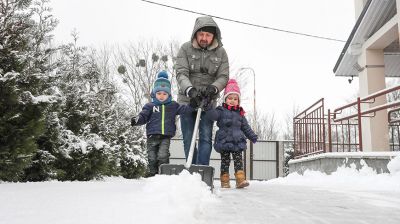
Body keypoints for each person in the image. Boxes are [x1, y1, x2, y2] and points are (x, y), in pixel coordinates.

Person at [175, 16, 229, 165]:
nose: (204, 38)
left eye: (208, 35)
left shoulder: (221, 53)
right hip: (188, 100)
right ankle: (191, 169)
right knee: (188, 136)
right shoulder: (185, 48)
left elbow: (223, 76)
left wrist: (213, 88)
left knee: (205, 136)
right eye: (201, 34)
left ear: (214, 36)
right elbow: (181, 73)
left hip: (208, 101)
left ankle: (202, 170)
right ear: (195, 34)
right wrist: (190, 90)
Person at [131, 71, 196, 177]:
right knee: (151, 157)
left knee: (162, 155)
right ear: (154, 94)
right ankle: (152, 173)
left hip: (165, 136)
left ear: (169, 94)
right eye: (159, 93)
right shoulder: (150, 106)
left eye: (164, 94)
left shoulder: (172, 105)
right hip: (152, 135)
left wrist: (192, 106)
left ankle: (163, 174)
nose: (161, 96)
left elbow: (184, 110)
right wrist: (137, 120)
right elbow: (143, 116)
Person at [206, 79, 258, 188]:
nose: (232, 100)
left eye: (235, 99)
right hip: (224, 140)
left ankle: (240, 180)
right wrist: (209, 106)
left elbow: (245, 127)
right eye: (230, 98)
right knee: (225, 161)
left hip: (237, 141)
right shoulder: (220, 110)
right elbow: (213, 116)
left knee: (238, 161)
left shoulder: (240, 114)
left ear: (238, 101)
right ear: (225, 99)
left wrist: (252, 136)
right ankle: (224, 181)